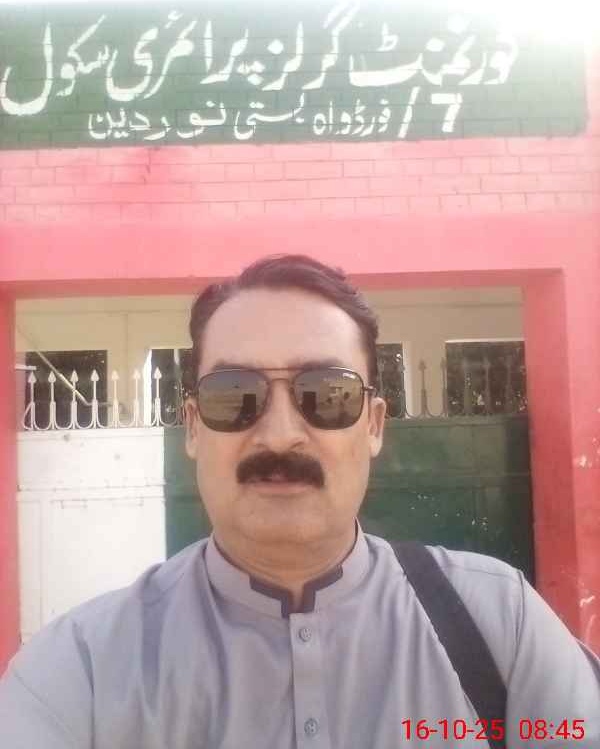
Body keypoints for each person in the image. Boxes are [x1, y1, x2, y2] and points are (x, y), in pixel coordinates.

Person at [1, 254, 599, 749]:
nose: (280, 434)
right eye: (235, 394)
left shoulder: (500, 626)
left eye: (327, 393)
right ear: (193, 428)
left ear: (374, 425)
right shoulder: (82, 670)